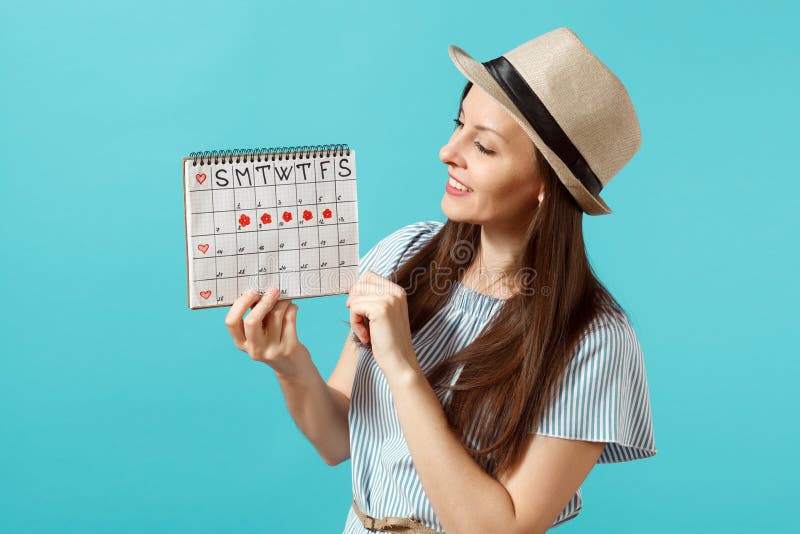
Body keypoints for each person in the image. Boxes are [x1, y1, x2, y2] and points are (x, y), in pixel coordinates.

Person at [224, 27, 657, 533]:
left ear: (546, 186)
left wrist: (404, 368)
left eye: (485, 147)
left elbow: (497, 529)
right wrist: (290, 364)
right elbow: (336, 440)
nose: (447, 152)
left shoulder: (594, 341)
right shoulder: (405, 253)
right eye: (458, 125)